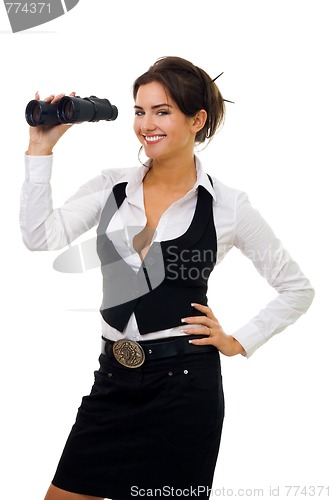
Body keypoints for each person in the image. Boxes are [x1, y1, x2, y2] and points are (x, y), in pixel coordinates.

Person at [20, 56, 314, 500]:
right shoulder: (111, 187)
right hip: (112, 380)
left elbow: (296, 288)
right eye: (140, 111)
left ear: (197, 120)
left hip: (184, 388)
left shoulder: (228, 207)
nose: (146, 124)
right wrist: (41, 149)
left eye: (162, 111)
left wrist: (239, 340)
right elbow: (39, 235)